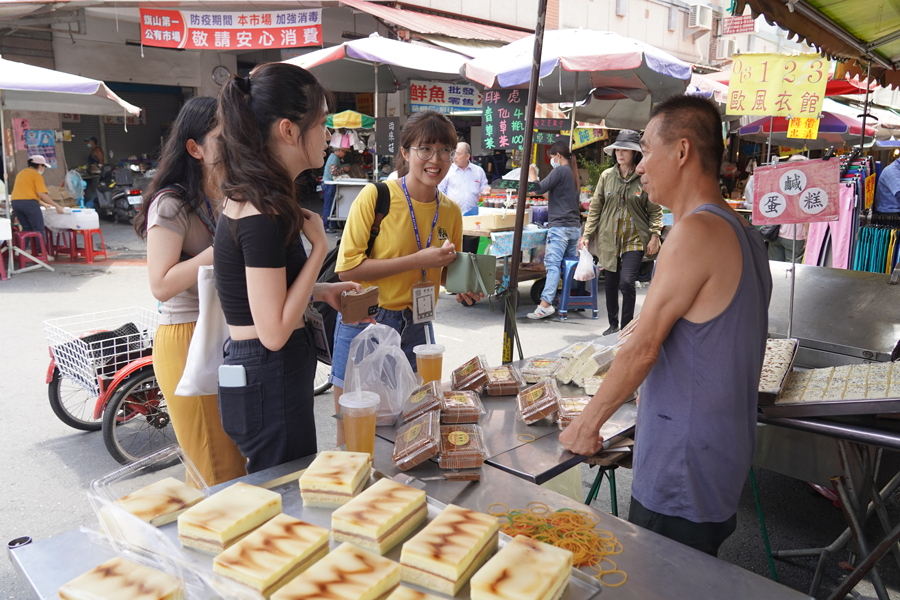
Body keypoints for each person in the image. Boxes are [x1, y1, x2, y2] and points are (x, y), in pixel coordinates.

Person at [560, 95, 772, 557]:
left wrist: (586, 424)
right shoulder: (745, 233)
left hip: (683, 461)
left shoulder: (693, 233)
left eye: (647, 152)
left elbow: (643, 349)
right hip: (720, 451)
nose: (639, 167)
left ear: (681, 151)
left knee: (662, 578)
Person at [213, 63, 365, 473]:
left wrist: (319, 292)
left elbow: (262, 295)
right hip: (268, 373)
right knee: (282, 502)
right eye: (321, 124)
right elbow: (275, 332)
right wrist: (319, 250)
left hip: (265, 375)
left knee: (283, 493)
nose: (329, 137)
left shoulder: (257, 199)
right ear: (287, 130)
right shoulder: (262, 213)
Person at [330, 110, 484, 445]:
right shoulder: (377, 197)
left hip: (417, 322)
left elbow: (440, 271)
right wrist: (417, 259)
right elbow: (348, 269)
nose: (436, 159)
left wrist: (462, 286)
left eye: (445, 150)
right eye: (425, 149)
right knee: (353, 432)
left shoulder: (451, 211)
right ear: (405, 152)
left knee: (408, 426)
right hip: (366, 321)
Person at [133, 97, 247, 487]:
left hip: (227, 334)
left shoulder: (230, 196)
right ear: (194, 148)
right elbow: (160, 283)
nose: (232, 146)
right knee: (216, 468)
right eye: (222, 138)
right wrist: (219, 251)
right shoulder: (171, 204)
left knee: (226, 458)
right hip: (187, 338)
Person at [580, 130, 662, 336]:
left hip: (634, 238)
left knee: (627, 282)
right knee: (611, 283)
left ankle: (625, 327)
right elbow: (595, 207)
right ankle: (612, 325)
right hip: (609, 237)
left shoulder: (644, 178)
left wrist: (654, 234)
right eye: (618, 149)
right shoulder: (607, 176)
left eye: (625, 149)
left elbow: (655, 209)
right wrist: (587, 235)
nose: (620, 153)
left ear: (634, 153)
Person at [526, 141, 583, 320]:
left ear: (558, 156)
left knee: (553, 266)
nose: (551, 161)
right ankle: (565, 301)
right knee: (566, 268)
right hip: (574, 228)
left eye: (551, 158)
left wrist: (532, 174)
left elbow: (537, 189)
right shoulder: (573, 174)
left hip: (560, 228)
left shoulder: (560, 170)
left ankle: (545, 305)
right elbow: (550, 195)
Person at [10, 155, 64, 254]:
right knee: (38, 228)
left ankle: (19, 251)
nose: (43, 169)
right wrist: (57, 205)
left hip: (16, 203)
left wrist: (43, 203)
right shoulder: (36, 175)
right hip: (29, 204)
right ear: (40, 166)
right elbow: (41, 194)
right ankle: (41, 253)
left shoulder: (21, 173)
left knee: (27, 227)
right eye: (44, 167)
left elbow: (26, 193)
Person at [438, 142, 491, 217]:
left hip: (473, 214)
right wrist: (449, 201)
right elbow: (440, 192)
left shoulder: (478, 171)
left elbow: (482, 186)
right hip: (452, 213)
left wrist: (485, 190)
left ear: (467, 156)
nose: (455, 157)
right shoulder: (447, 170)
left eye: (458, 154)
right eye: (454, 153)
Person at [322, 147, 349, 232]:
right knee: (329, 205)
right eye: (344, 152)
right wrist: (343, 169)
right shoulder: (334, 157)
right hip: (329, 184)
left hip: (331, 184)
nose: (345, 154)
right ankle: (325, 226)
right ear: (340, 151)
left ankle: (333, 225)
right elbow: (333, 172)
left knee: (333, 206)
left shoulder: (335, 157)